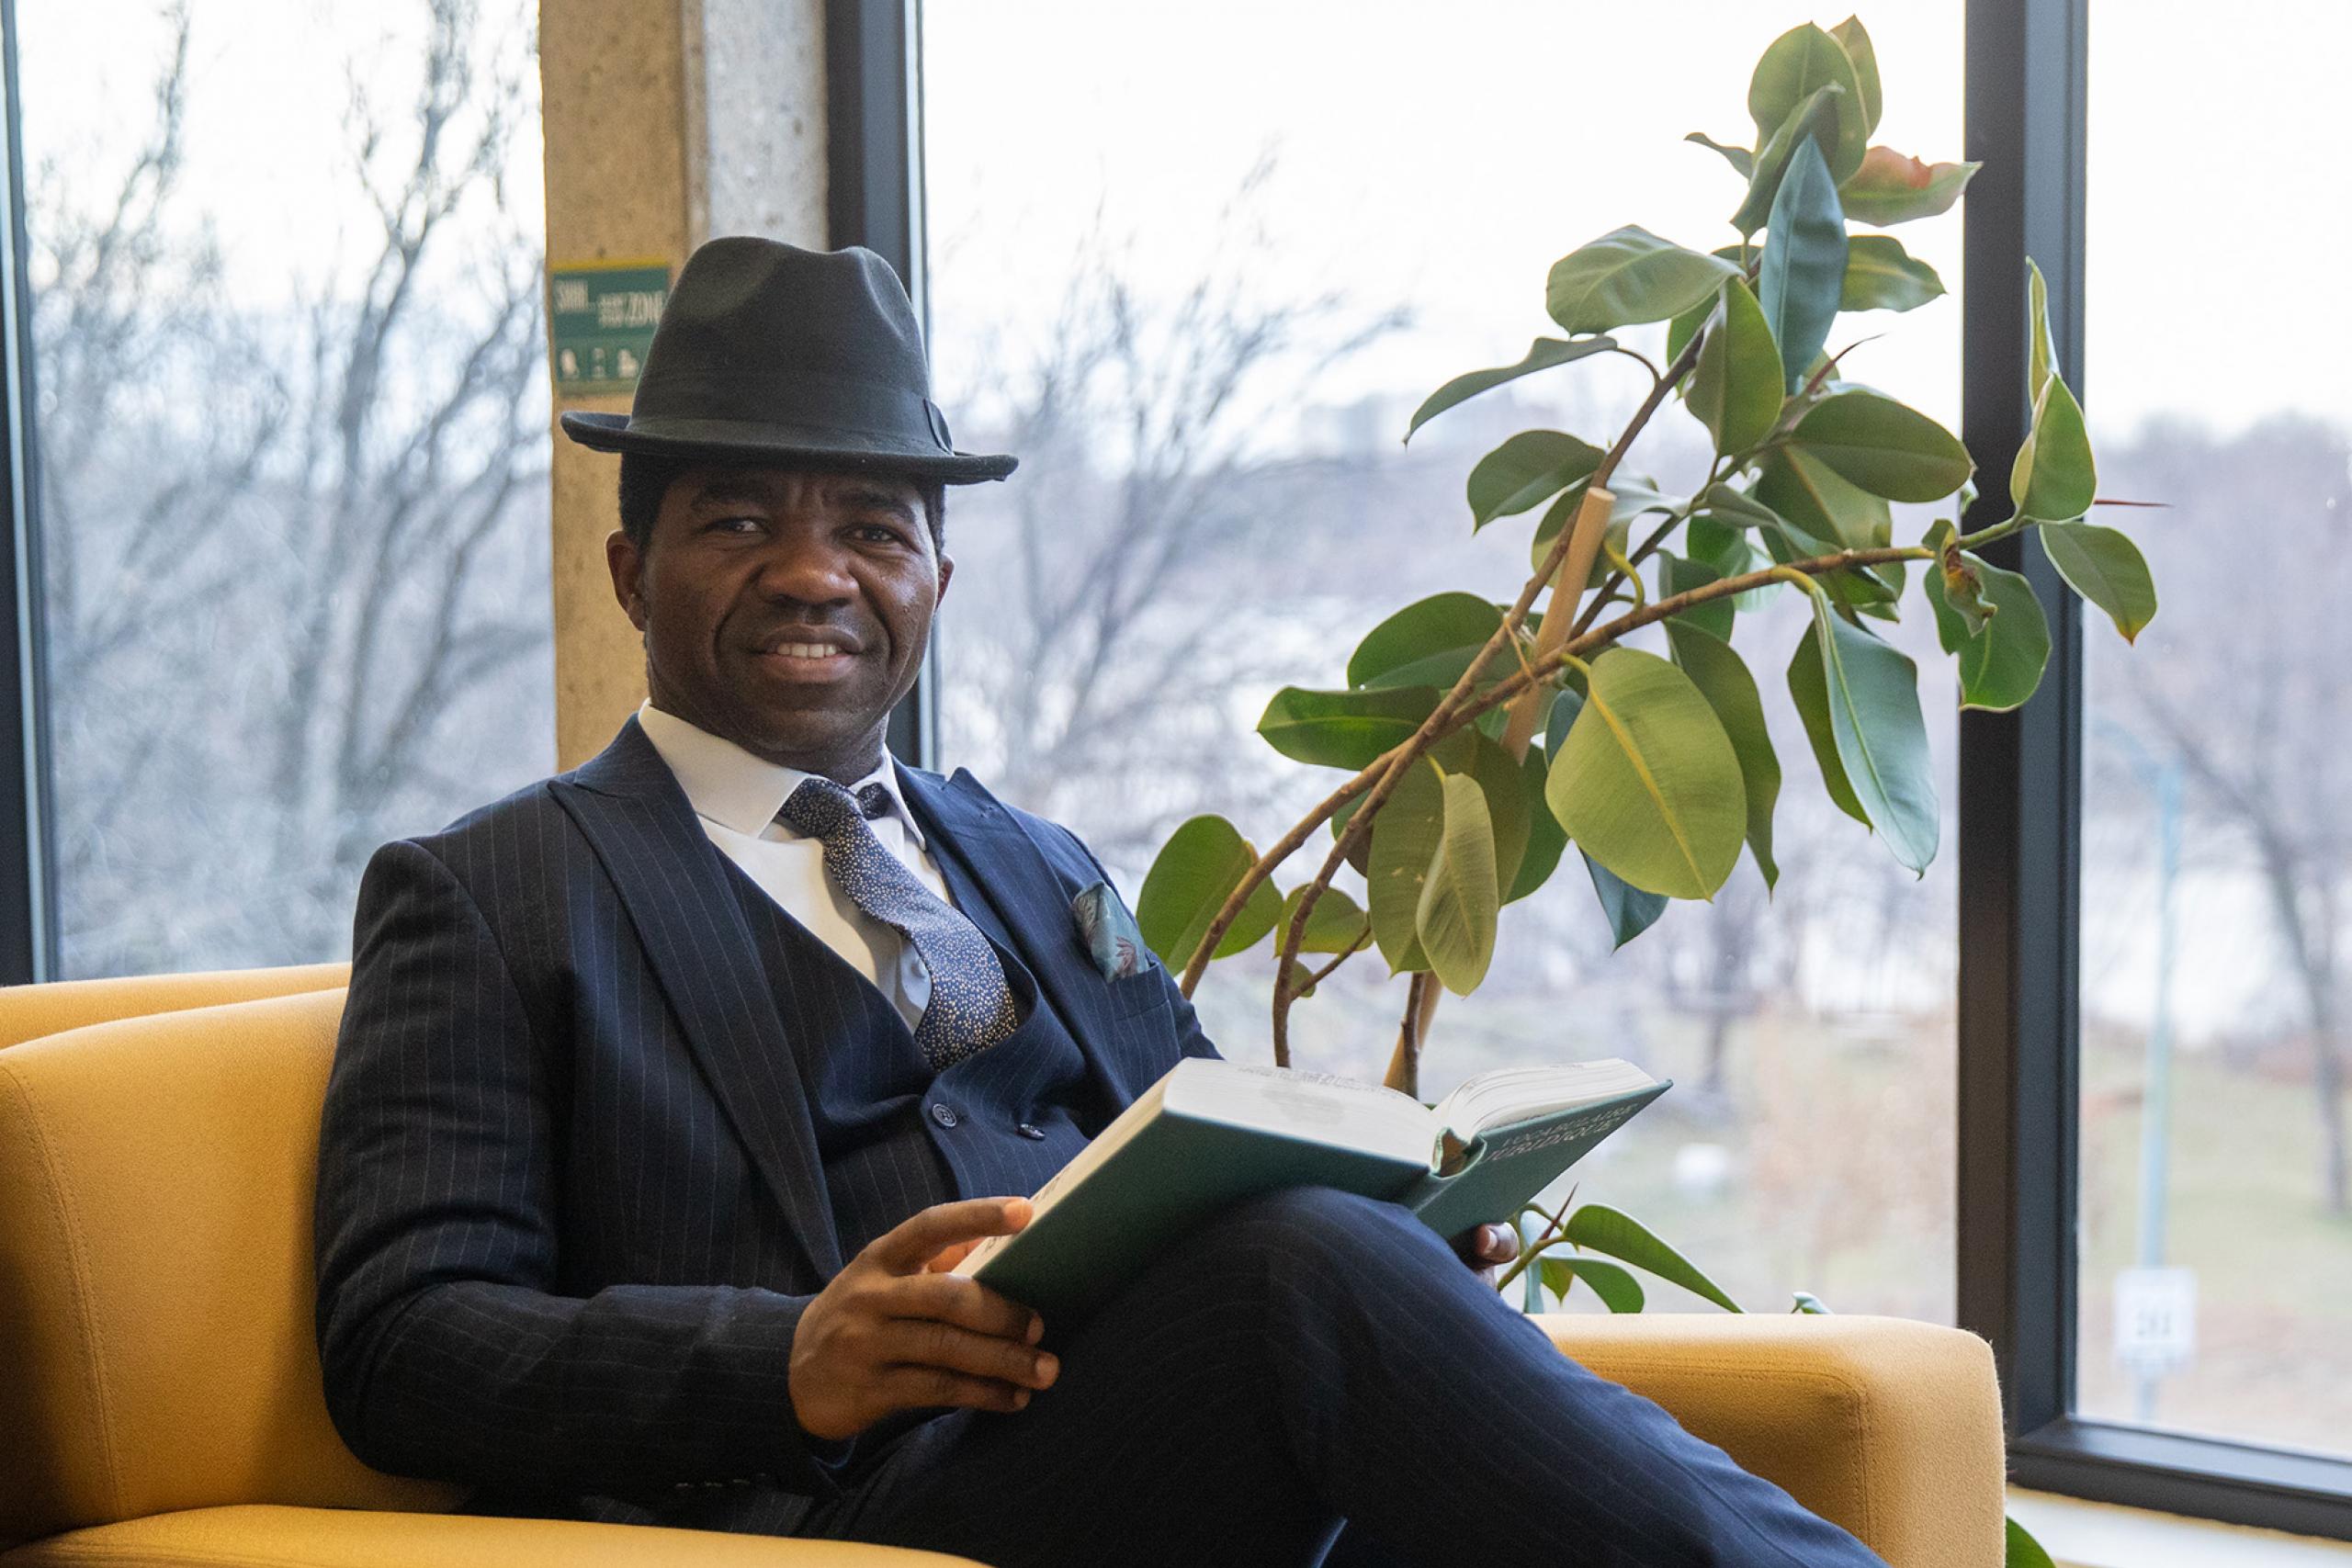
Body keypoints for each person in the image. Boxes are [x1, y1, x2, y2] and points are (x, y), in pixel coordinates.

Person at [313, 236, 1884, 1568]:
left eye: (872, 528)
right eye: (738, 520)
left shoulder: (1031, 859)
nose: (814, 572)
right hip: (837, 1510)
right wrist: (781, 1362)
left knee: (1327, 1254)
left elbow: (1195, 1159)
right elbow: (403, 1339)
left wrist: (1412, 1237)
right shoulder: (488, 893)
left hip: (1150, 1462)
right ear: (626, 568)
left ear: (936, 579)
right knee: (1299, 1274)